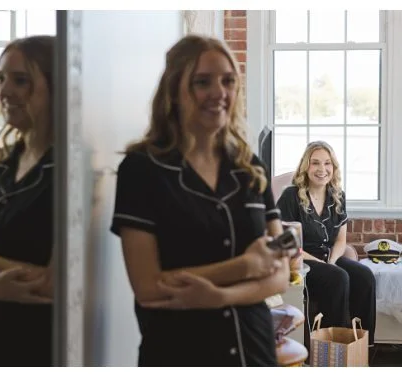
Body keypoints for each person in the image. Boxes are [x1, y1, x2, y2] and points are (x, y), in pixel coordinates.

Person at [110, 34, 297, 367]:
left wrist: (221, 295)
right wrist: (242, 267)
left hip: (251, 350)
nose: (219, 93)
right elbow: (149, 287)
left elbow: (280, 274)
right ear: (174, 91)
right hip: (178, 350)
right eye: (202, 82)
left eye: (228, 81)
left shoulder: (249, 167)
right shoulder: (142, 170)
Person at [0, 35, 57, 367]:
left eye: (21, 80)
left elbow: (56, 282)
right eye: (1, 79)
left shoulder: (70, 172)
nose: (5, 91)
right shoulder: (2, 164)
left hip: (31, 347)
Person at [276, 141, 377, 347]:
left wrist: (331, 260)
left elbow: (341, 240)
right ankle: (335, 348)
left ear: (334, 167)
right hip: (301, 261)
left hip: (329, 257)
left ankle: (361, 345)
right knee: (337, 277)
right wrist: (323, 264)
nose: (322, 169)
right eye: (315, 163)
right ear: (306, 166)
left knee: (365, 276)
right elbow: (287, 243)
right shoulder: (290, 196)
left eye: (327, 163)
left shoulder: (337, 196)